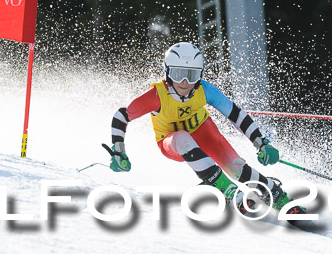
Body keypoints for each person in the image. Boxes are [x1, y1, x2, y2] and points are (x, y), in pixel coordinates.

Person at [108, 41, 302, 215]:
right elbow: (121, 116)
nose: (184, 83)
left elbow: (236, 115)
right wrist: (119, 151)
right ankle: (225, 189)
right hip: (172, 143)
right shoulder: (156, 95)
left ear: (199, 76)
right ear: (167, 73)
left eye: (191, 76)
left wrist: (261, 143)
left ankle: (279, 198)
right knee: (183, 137)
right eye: (178, 74)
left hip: (204, 133)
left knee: (236, 167)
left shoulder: (204, 89)